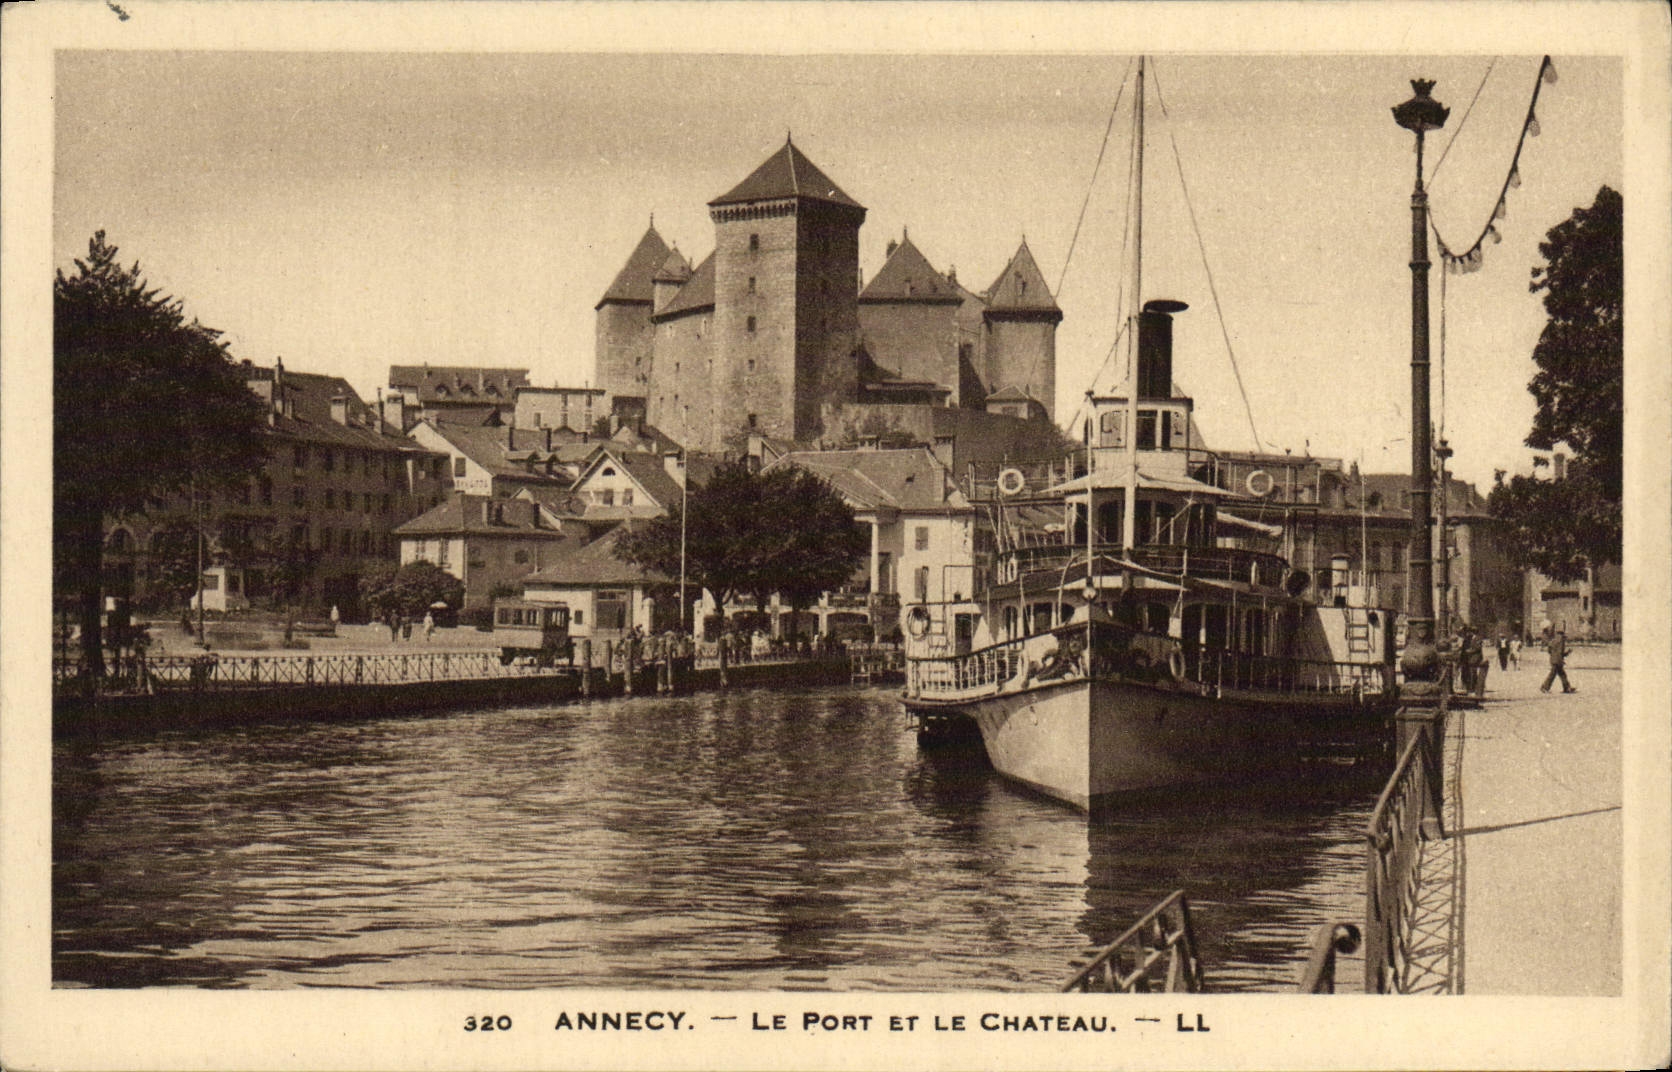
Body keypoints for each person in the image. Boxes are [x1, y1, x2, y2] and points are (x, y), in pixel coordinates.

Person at [1540, 628, 1576, 693]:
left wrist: (1554, 655)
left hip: (1553, 660)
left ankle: (1567, 687)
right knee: (1553, 675)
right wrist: (1566, 654)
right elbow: (1560, 652)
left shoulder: (1553, 641)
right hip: (1558, 661)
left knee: (1562, 674)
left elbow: (1549, 651)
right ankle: (1545, 687)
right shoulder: (1561, 642)